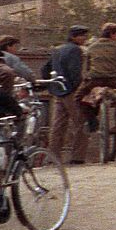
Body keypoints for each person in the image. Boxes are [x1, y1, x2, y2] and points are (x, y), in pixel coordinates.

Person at [44, 25, 88, 164]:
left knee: (58, 126)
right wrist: (80, 89)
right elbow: (75, 72)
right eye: (82, 35)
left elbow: (45, 69)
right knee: (80, 123)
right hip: (71, 91)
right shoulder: (75, 50)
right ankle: (77, 157)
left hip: (58, 90)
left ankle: (53, 157)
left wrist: (50, 85)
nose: (84, 38)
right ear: (73, 37)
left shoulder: (57, 50)